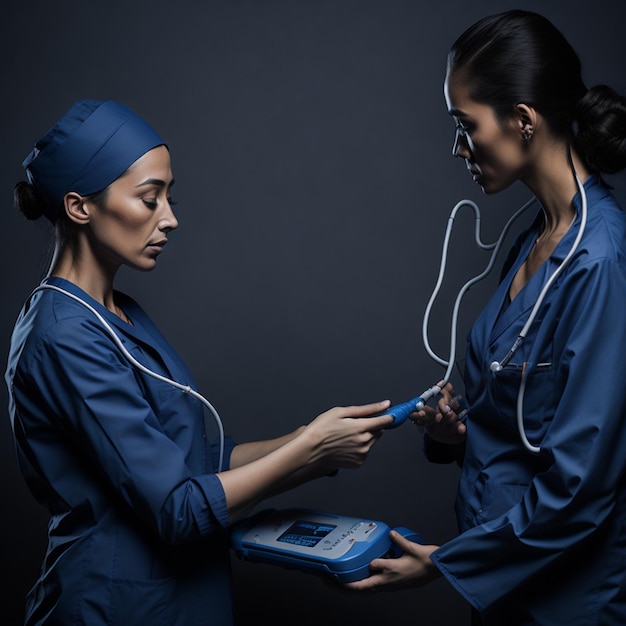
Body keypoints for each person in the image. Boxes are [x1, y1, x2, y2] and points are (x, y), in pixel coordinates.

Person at [5, 99, 395, 625]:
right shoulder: (63, 337)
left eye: (169, 195)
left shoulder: (122, 315)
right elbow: (179, 508)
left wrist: (321, 441)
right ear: (80, 207)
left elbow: (201, 460)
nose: (170, 218)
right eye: (150, 199)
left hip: (185, 598)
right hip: (114, 607)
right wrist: (307, 449)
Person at [344, 9, 626, 625]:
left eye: (465, 126)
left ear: (523, 121)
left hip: (563, 602)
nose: (457, 147)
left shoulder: (600, 263)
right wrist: (457, 433)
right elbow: (528, 416)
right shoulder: (536, 238)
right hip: (503, 588)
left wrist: (448, 563)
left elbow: (581, 485)